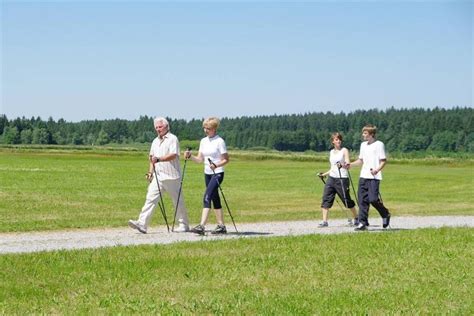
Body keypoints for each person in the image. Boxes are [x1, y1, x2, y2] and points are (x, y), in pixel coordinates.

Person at [128, 117, 190, 233]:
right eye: (156, 127)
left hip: (172, 176)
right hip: (158, 176)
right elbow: (152, 158)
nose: (158, 129)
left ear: (166, 127)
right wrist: (150, 172)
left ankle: (184, 225)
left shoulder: (173, 139)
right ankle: (142, 224)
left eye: (160, 127)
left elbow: (174, 155)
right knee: (150, 198)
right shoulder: (155, 141)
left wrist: (160, 159)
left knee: (177, 201)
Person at [185, 117, 229, 235]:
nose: (205, 130)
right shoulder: (203, 141)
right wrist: (190, 156)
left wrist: (216, 164)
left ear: (214, 129)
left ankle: (202, 226)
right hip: (207, 173)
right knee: (215, 198)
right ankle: (221, 226)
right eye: (204, 128)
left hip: (218, 173)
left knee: (207, 196)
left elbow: (226, 160)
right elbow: (200, 159)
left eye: (208, 128)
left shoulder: (220, 141)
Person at [346, 124, 391, 231]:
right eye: (363, 133)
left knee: (373, 199)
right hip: (363, 176)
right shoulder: (363, 145)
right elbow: (361, 160)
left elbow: (383, 161)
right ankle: (363, 223)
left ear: (371, 134)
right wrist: (350, 165)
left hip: (374, 177)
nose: (363, 135)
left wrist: (377, 169)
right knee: (362, 200)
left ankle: (385, 214)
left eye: (365, 133)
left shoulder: (379, 144)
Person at [317, 132, 359, 227]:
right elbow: (333, 168)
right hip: (331, 178)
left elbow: (348, 164)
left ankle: (356, 218)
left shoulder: (344, 150)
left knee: (346, 200)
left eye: (339, 139)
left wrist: (343, 165)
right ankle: (324, 221)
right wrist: (324, 174)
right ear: (333, 141)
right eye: (336, 139)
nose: (339, 141)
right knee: (326, 199)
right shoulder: (331, 152)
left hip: (342, 178)